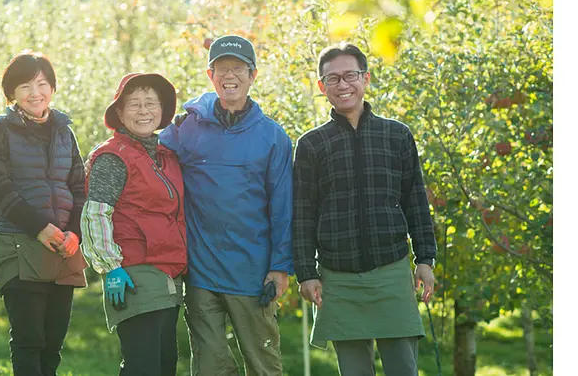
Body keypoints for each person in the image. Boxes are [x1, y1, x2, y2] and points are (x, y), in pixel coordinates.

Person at [292, 42, 437, 376]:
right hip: (337, 278)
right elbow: (303, 213)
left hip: (391, 271)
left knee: (403, 368)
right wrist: (306, 272)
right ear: (321, 86)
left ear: (365, 78)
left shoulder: (397, 135)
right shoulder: (312, 144)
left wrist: (425, 259)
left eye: (350, 76)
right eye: (333, 79)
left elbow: (416, 202)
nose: (343, 85)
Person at [159, 35, 293, 376]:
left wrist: (280, 266)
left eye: (238, 69)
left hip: (252, 272)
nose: (229, 76)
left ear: (253, 76)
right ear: (210, 74)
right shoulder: (188, 127)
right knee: (209, 366)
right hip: (201, 271)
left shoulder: (273, 137)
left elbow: (282, 206)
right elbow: (150, 156)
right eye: (221, 69)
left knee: (263, 365)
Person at [0, 51, 88, 376]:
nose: (35, 93)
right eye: (25, 85)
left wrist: (74, 232)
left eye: (42, 84)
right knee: (29, 341)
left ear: (52, 88)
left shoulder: (64, 132)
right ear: (12, 92)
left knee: (52, 344)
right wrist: (40, 228)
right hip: (18, 244)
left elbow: (79, 187)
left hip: (62, 247)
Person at [80, 72, 187, 376]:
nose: (143, 111)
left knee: (164, 366)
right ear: (119, 113)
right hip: (133, 274)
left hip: (167, 275)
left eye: (150, 103)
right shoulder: (113, 157)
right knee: (143, 368)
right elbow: (95, 214)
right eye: (134, 104)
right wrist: (110, 267)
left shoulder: (165, 156)